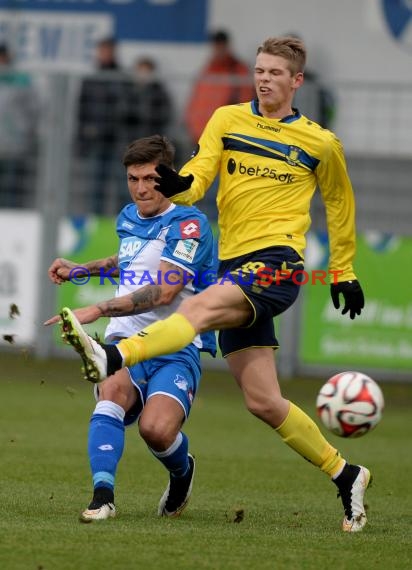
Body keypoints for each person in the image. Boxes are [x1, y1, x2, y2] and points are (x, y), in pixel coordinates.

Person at [58, 37, 368, 533]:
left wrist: (346, 269)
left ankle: (114, 357)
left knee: (196, 309)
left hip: (277, 262)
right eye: (259, 70)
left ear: (296, 81)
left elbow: (339, 206)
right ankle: (346, 473)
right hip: (235, 266)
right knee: (263, 401)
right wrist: (182, 185)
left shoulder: (320, 143)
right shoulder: (226, 119)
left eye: (274, 72)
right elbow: (201, 175)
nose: (264, 78)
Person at [46, 135, 216, 521]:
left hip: (174, 345)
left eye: (150, 179)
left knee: (156, 430)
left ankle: (182, 471)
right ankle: (102, 496)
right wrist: (82, 269)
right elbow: (129, 260)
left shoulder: (190, 225)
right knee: (112, 392)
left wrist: (99, 307)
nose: (141, 188)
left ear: (168, 177)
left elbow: (164, 290)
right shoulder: (127, 217)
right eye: (133, 179)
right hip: (124, 339)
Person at [75, 37, 130, 215]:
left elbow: (128, 110)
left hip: (118, 142)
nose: (105, 54)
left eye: (108, 50)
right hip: (96, 141)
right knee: (96, 186)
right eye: (102, 50)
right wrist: (82, 140)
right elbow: (82, 112)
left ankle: (124, 221)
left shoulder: (122, 78)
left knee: (123, 186)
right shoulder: (91, 79)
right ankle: (95, 220)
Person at [184, 29, 255, 145]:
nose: (218, 48)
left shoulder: (238, 70)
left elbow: (245, 101)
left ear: (227, 45)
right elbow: (196, 99)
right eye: (216, 45)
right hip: (200, 134)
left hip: (224, 135)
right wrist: (190, 122)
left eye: (221, 45)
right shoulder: (207, 68)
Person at [0, 43, 39, 208]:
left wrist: (24, 133)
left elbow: (34, 110)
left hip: (15, 146)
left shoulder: (21, 80)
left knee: (13, 191)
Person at [121, 56, 173, 144]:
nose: (143, 74)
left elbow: (165, 114)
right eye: (141, 70)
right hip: (129, 137)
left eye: (147, 71)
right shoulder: (127, 90)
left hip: (151, 137)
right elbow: (122, 112)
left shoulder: (159, 92)